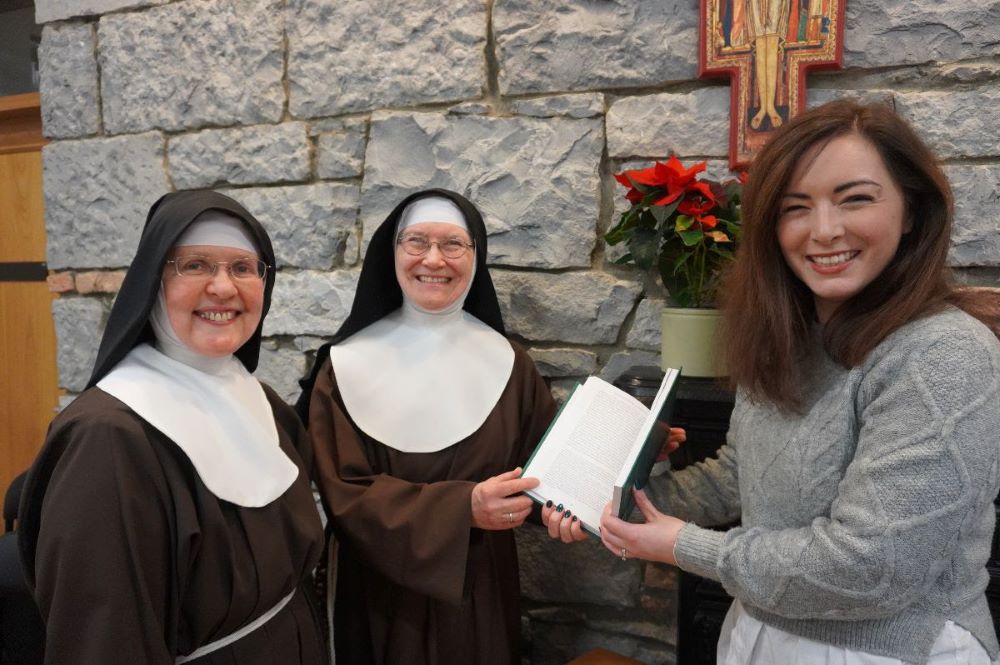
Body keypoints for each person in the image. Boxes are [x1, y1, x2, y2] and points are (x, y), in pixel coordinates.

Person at [598, 100, 1000, 664]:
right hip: (759, 631)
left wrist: (683, 547)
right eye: (795, 208)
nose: (825, 230)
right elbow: (741, 476)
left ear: (912, 210)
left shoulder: (943, 353)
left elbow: (870, 567)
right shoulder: (788, 338)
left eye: (855, 198)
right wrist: (621, 502)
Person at [18, 191, 326, 664]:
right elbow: (102, 645)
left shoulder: (260, 400)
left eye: (243, 268)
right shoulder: (108, 440)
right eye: (196, 265)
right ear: (153, 281)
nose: (223, 288)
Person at [298, 189, 559, 665]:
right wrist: (462, 509)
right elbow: (343, 494)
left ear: (475, 258)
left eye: (453, 244)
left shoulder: (511, 365)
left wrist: (630, 451)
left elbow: (547, 468)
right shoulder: (342, 366)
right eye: (416, 241)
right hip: (375, 596)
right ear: (391, 253)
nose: (434, 259)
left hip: (478, 591)